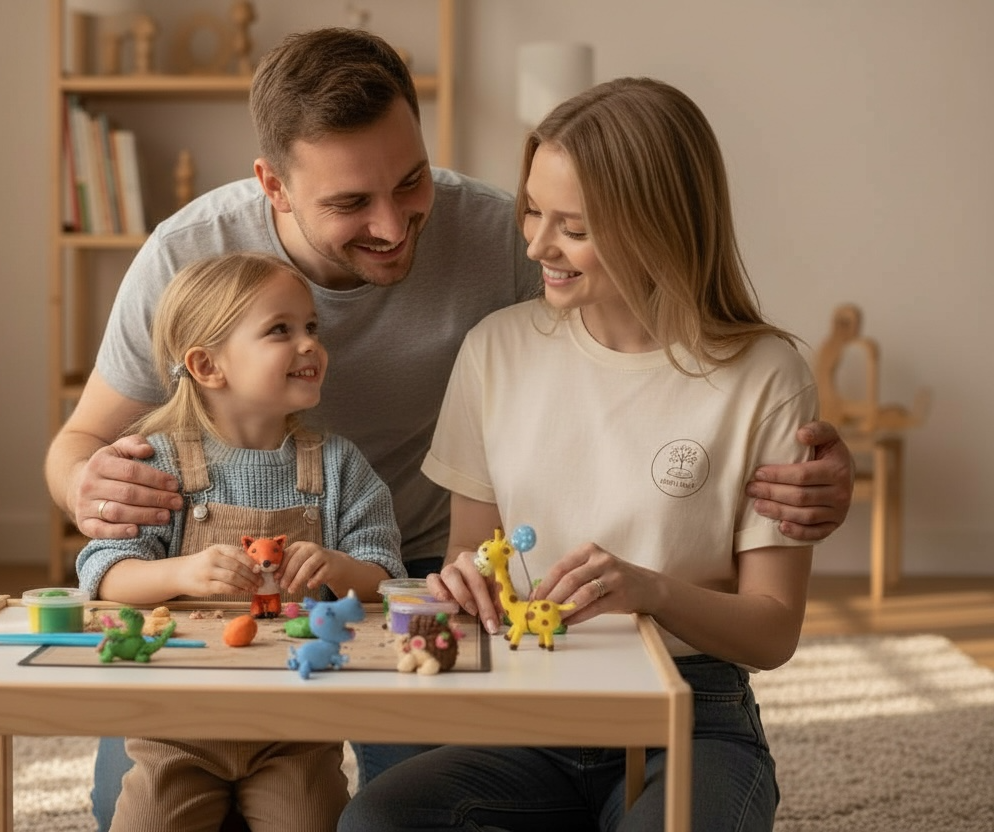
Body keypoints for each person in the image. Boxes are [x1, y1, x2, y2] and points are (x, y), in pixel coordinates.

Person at [42, 27, 854, 828]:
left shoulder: (505, 240)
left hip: (424, 566)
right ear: (274, 186)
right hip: (246, 581)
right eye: (351, 202)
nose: (395, 227)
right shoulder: (190, 256)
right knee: (138, 802)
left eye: (412, 181)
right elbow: (77, 449)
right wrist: (89, 486)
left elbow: (667, 354)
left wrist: (808, 472)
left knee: (380, 800)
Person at [339, 76, 821, 832]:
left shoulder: (766, 376)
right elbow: (473, 549)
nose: (534, 243)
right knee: (379, 819)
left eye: (573, 226)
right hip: (533, 714)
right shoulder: (496, 350)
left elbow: (773, 630)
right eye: (532, 209)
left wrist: (652, 592)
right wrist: (465, 582)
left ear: (657, 227)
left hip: (693, 714)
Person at [76, 251, 405, 831]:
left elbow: (384, 575)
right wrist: (179, 575)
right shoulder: (161, 463)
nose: (309, 344)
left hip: (295, 733)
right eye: (281, 330)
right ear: (206, 365)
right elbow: (105, 573)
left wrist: (335, 566)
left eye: (311, 327)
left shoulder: (338, 465)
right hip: (175, 728)